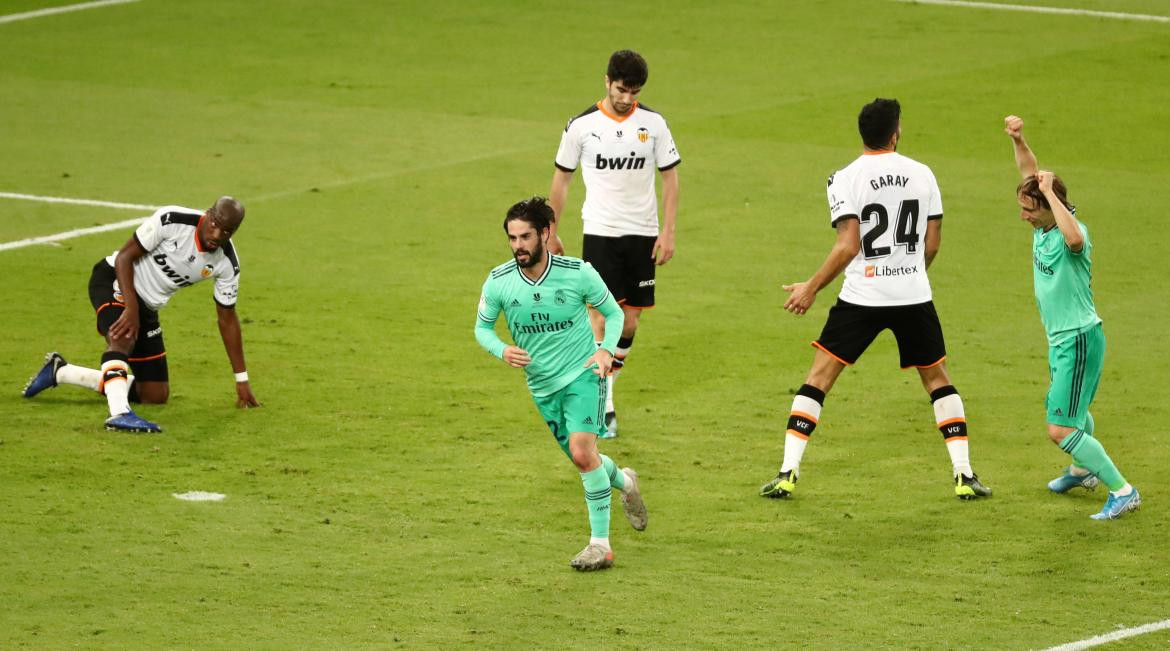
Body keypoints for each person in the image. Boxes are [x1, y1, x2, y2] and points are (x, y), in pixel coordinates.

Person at [759, 98, 992, 501]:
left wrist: (811, 287)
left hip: (862, 295)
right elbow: (932, 244)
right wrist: (909, 274)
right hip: (913, 294)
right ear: (895, 133)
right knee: (937, 380)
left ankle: (787, 472)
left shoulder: (844, 177)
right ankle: (964, 475)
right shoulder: (924, 174)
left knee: (819, 378)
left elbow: (848, 245)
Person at [475, 196, 647, 571]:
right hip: (542, 387)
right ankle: (627, 483)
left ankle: (600, 545)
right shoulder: (500, 281)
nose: (518, 245)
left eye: (525, 237)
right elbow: (482, 328)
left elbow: (613, 313)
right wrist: (501, 349)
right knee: (586, 461)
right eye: (512, 238)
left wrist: (605, 351)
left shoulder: (577, 273)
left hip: (584, 375)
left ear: (545, 233)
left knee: (584, 453)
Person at [22, 196, 260, 432]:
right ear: (208, 213)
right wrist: (131, 309)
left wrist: (242, 379)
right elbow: (125, 257)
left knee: (155, 394)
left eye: (226, 232)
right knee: (122, 338)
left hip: (147, 307)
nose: (216, 235)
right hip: (114, 279)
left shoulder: (227, 263)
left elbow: (227, 319)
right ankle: (119, 413)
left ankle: (62, 372)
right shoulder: (173, 220)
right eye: (215, 224)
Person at [1004, 115, 1140, 520]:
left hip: (1077, 339)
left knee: (1060, 428)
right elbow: (1030, 172)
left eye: (1030, 210)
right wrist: (1019, 139)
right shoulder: (1043, 227)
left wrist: (1049, 196)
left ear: (1050, 207)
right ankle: (1083, 471)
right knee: (1072, 413)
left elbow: (1076, 237)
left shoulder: (1070, 231)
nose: (1023, 216)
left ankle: (1123, 490)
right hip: (1063, 338)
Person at [548, 49, 681, 438]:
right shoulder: (581, 126)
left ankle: (608, 384)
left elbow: (670, 179)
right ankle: (601, 400)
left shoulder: (654, 124)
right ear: (607, 81)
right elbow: (562, 179)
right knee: (601, 316)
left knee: (632, 319)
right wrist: (551, 230)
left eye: (634, 92)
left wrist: (668, 231)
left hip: (642, 232)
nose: (627, 98)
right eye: (622, 89)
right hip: (601, 231)